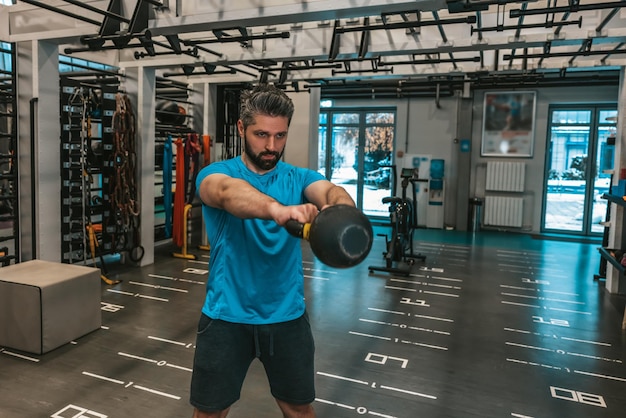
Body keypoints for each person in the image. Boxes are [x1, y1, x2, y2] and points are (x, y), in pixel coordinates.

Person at [190, 83, 355, 418]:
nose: (270, 146)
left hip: (286, 317)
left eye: (280, 136)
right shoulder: (216, 174)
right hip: (225, 317)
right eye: (261, 134)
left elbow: (331, 191)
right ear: (241, 128)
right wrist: (278, 210)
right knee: (209, 413)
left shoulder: (299, 178)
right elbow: (228, 193)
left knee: (298, 409)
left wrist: (342, 213)